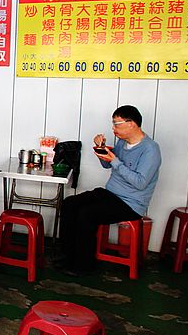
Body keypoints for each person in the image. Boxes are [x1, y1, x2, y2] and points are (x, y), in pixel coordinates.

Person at [59, 105, 161, 276]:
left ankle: (83, 265)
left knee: (87, 213)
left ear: (131, 124)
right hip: (111, 194)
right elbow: (108, 165)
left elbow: (140, 183)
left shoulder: (150, 149)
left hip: (131, 203)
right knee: (70, 204)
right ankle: (68, 255)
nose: (113, 129)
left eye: (116, 124)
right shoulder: (122, 142)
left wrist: (114, 161)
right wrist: (102, 149)